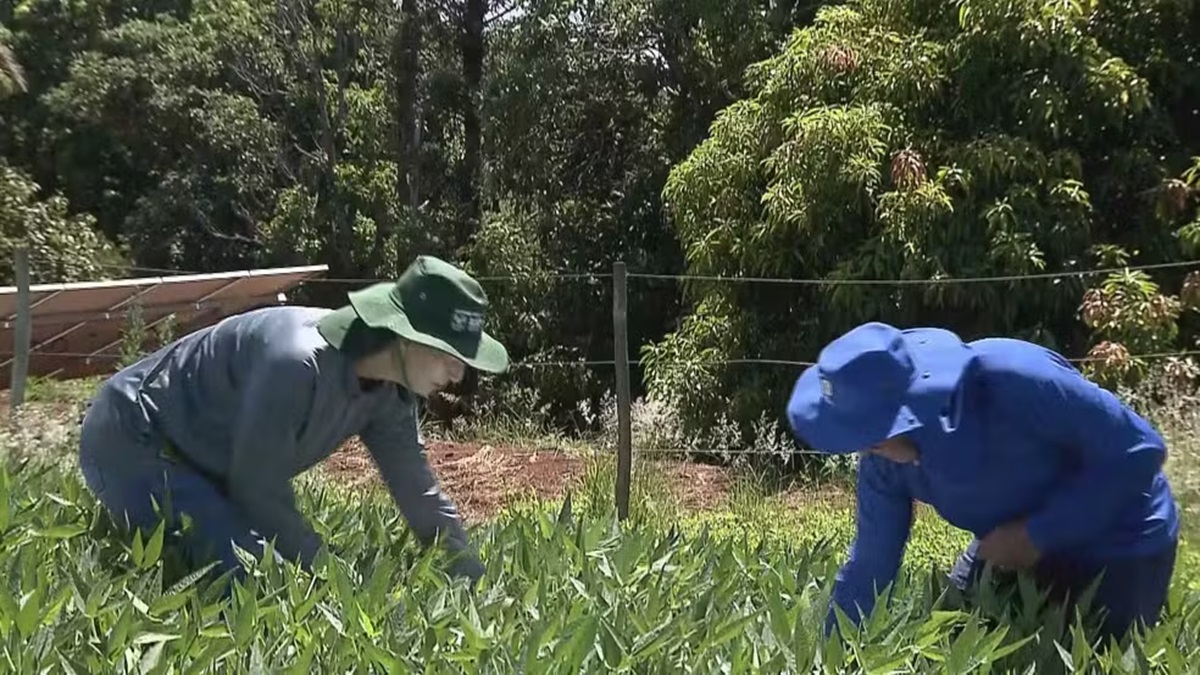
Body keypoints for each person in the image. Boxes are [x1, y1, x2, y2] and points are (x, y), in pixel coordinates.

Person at [77, 255, 508, 584]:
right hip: (135, 438)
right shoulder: (296, 364)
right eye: (450, 356)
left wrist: (470, 578)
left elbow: (419, 493)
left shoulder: (391, 397)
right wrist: (330, 575)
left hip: (212, 467)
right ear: (405, 337)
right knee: (258, 581)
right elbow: (256, 486)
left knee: (278, 570)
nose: (457, 375)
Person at [786, 321, 1179, 641]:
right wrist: (832, 656)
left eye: (868, 433)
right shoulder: (883, 464)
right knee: (953, 642)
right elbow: (870, 566)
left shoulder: (1014, 379)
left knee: (1094, 653)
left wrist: (1036, 535)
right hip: (1006, 543)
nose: (864, 448)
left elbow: (1139, 451)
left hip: (1121, 536)